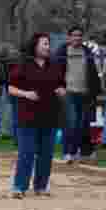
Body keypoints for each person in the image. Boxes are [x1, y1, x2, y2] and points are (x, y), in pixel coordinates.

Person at [9, 33, 66, 198]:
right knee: (26, 153)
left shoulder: (54, 65)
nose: (48, 47)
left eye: (49, 44)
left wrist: (62, 91)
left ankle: (41, 186)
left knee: (46, 154)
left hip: (49, 115)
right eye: (45, 44)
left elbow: (62, 86)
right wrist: (26, 94)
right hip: (28, 116)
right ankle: (19, 187)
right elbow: (11, 88)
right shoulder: (23, 65)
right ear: (35, 46)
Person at [53, 25, 102, 163]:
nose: (77, 38)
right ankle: (68, 152)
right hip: (69, 93)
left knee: (83, 124)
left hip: (85, 94)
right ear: (69, 37)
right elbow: (55, 72)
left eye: (80, 35)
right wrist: (58, 87)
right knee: (71, 123)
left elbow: (93, 73)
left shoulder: (87, 52)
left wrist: (95, 90)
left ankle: (83, 152)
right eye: (74, 35)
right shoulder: (62, 52)